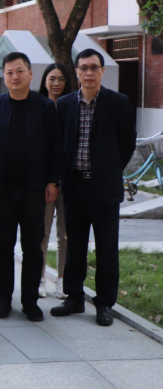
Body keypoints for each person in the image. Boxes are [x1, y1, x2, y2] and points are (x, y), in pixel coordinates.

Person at [0, 52, 64, 322]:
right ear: (4, 77)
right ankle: (4, 298)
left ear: (30, 74)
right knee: (2, 245)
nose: (14, 77)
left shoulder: (44, 107)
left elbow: (56, 147)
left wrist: (53, 180)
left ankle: (29, 301)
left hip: (34, 190)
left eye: (20, 71)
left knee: (32, 247)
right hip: (1, 190)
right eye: (9, 72)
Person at [51, 49, 136, 327]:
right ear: (76, 71)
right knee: (74, 245)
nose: (88, 72)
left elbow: (127, 143)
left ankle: (104, 303)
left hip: (104, 187)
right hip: (75, 185)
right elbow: (59, 144)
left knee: (106, 247)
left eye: (94, 67)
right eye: (83, 68)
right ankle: (74, 297)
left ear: (102, 71)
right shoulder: (65, 104)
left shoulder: (118, 102)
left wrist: (109, 170)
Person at [39, 63, 73, 299]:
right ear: (44, 81)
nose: (56, 83)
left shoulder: (71, 107)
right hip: (43, 181)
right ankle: (39, 278)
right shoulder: (38, 106)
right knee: (42, 232)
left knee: (65, 234)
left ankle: (61, 279)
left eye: (60, 79)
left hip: (68, 179)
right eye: (52, 78)